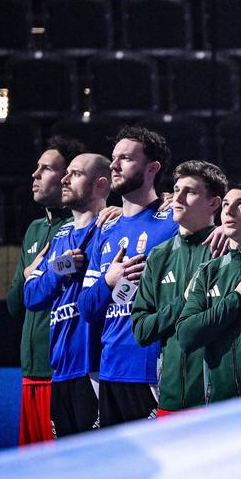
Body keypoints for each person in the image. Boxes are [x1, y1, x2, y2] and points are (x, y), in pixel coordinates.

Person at [78, 126, 179, 426]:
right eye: (113, 157)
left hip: (150, 370)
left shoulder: (174, 221)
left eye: (126, 158)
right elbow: (87, 308)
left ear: (152, 168)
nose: (114, 165)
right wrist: (109, 281)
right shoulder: (106, 228)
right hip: (109, 369)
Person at [23, 153, 111, 437]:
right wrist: (60, 268)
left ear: (100, 185)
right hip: (61, 370)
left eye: (76, 174)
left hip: (94, 368)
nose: (64, 179)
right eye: (66, 173)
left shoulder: (111, 228)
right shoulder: (60, 235)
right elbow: (31, 296)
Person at [131, 160, 226, 416]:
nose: (177, 198)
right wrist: (183, 301)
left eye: (190, 191)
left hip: (217, 402)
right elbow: (141, 331)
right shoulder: (158, 256)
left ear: (214, 203)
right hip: (170, 398)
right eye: (176, 189)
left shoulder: (228, 249)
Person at [6, 137, 82, 445]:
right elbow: (15, 303)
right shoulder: (34, 229)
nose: (34, 174)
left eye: (46, 168)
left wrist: (46, 272)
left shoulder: (84, 225)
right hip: (30, 373)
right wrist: (30, 276)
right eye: (37, 167)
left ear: (67, 177)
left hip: (63, 372)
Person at [178, 182, 241, 402]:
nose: (229, 211)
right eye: (225, 205)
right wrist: (237, 300)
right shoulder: (208, 272)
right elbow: (185, 336)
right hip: (220, 405)